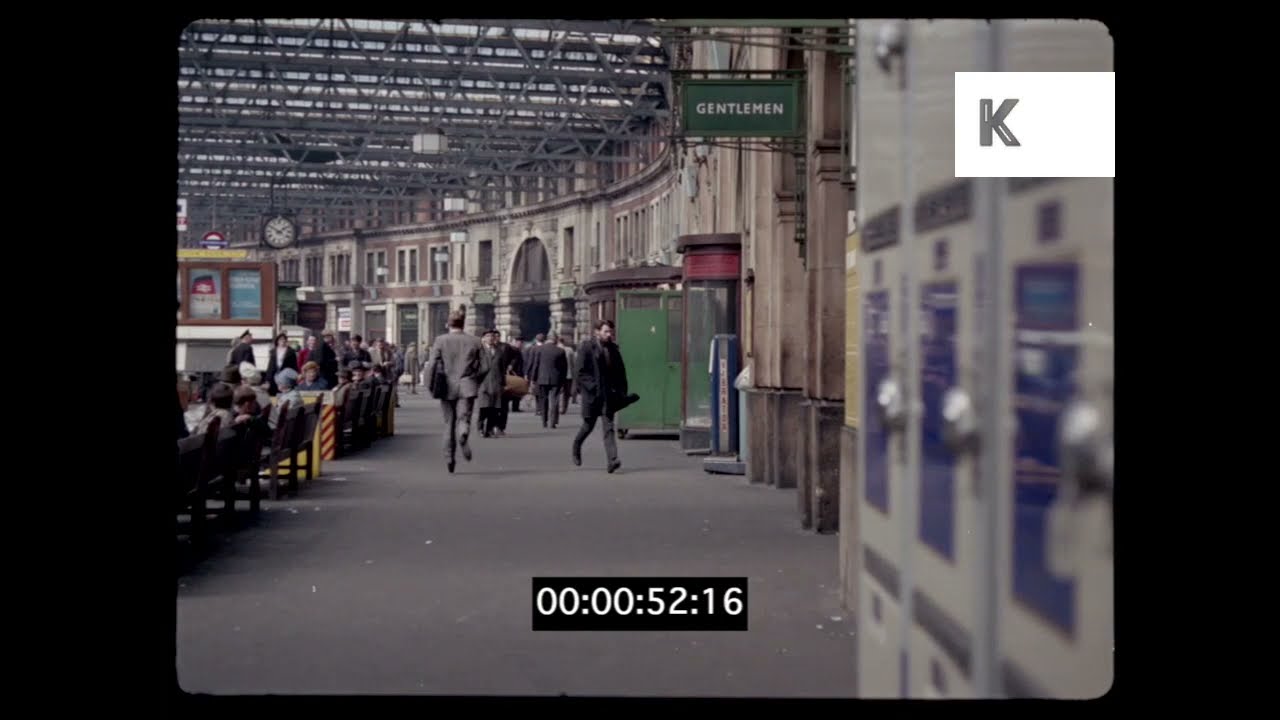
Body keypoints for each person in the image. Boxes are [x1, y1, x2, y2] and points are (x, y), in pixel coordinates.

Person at [425, 307, 483, 473]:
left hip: (446, 386)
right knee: (463, 417)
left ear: (448, 324)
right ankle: (463, 432)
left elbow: (432, 365)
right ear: (463, 324)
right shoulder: (475, 341)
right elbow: (485, 365)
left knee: (448, 423)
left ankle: (449, 458)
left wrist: (429, 385)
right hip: (467, 385)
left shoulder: (441, 340)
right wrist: (475, 379)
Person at [572, 320, 633, 473]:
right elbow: (579, 372)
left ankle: (613, 460)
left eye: (611, 332)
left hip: (607, 395)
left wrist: (622, 392)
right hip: (592, 396)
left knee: (609, 427)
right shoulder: (586, 347)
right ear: (597, 332)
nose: (609, 334)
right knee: (588, 426)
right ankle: (576, 446)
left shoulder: (613, 349)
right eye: (606, 331)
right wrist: (592, 387)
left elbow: (620, 372)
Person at [528, 332, 568, 429]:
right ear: (556, 339)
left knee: (543, 399)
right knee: (554, 400)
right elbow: (564, 368)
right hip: (556, 379)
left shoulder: (539, 349)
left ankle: (544, 421)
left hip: (542, 378)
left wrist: (533, 379)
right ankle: (553, 422)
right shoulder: (560, 351)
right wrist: (563, 381)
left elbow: (536, 365)